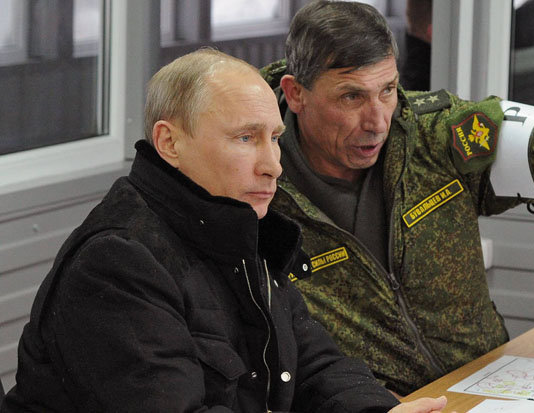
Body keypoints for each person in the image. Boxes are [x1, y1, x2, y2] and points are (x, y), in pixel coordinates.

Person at [0, 49, 453, 413]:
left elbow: (314, 364)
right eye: (245, 138)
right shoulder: (117, 262)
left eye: (274, 138)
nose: (273, 166)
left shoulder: (235, 226)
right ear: (169, 142)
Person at [260, 0, 534, 397]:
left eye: (388, 90)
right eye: (351, 97)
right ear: (296, 94)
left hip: (488, 388)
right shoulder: (254, 187)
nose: (377, 121)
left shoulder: (431, 138)